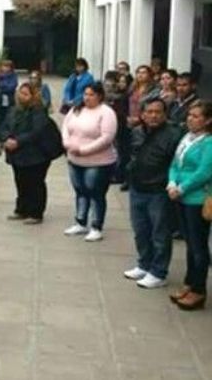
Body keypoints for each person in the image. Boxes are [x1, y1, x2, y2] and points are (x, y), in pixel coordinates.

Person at [123, 98, 182, 289]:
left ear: (165, 114)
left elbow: (177, 164)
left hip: (159, 191)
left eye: (158, 112)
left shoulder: (174, 135)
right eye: (149, 112)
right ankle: (144, 264)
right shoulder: (138, 131)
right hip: (137, 188)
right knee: (141, 231)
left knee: (160, 233)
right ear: (142, 114)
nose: (153, 116)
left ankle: (158, 271)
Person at [167, 101, 212, 310]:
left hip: (196, 199)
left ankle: (199, 290)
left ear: (208, 120)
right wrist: (172, 181)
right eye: (190, 115)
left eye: (196, 116)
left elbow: (203, 172)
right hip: (181, 196)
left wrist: (182, 187)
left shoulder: (208, 142)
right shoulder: (188, 137)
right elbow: (176, 163)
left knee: (198, 247)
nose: (190, 119)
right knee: (190, 245)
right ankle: (189, 282)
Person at [61, 82, 118, 242]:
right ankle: (80, 222)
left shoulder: (106, 113)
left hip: (97, 162)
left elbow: (106, 138)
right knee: (80, 191)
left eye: (91, 94)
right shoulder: (76, 109)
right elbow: (65, 126)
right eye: (85, 94)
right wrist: (67, 143)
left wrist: (84, 150)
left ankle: (96, 226)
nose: (87, 97)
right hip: (74, 159)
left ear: (99, 96)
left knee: (95, 193)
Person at [0, 83, 53, 225]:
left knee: (34, 183)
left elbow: (37, 131)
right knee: (20, 181)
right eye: (20, 93)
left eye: (26, 94)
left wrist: (18, 141)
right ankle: (22, 209)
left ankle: (36, 212)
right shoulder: (13, 110)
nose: (22, 96)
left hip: (35, 154)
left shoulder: (38, 111)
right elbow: (4, 126)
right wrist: (6, 139)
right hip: (16, 153)